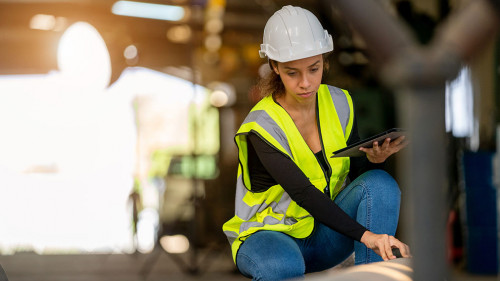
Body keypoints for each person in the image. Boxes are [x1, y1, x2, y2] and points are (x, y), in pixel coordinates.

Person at [222, 5, 410, 281]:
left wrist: (375, 159)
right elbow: (303, 193)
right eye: (292, 72)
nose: (306, 83)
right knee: (283, 268)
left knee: (380, 185)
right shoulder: (261, 126)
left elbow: (356, 179)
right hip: (268, 239)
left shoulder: (340, 103)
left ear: (324, 59)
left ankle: (372, 276)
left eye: (314, 68)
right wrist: (366, 236)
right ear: (274, 67)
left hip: (323, 235)